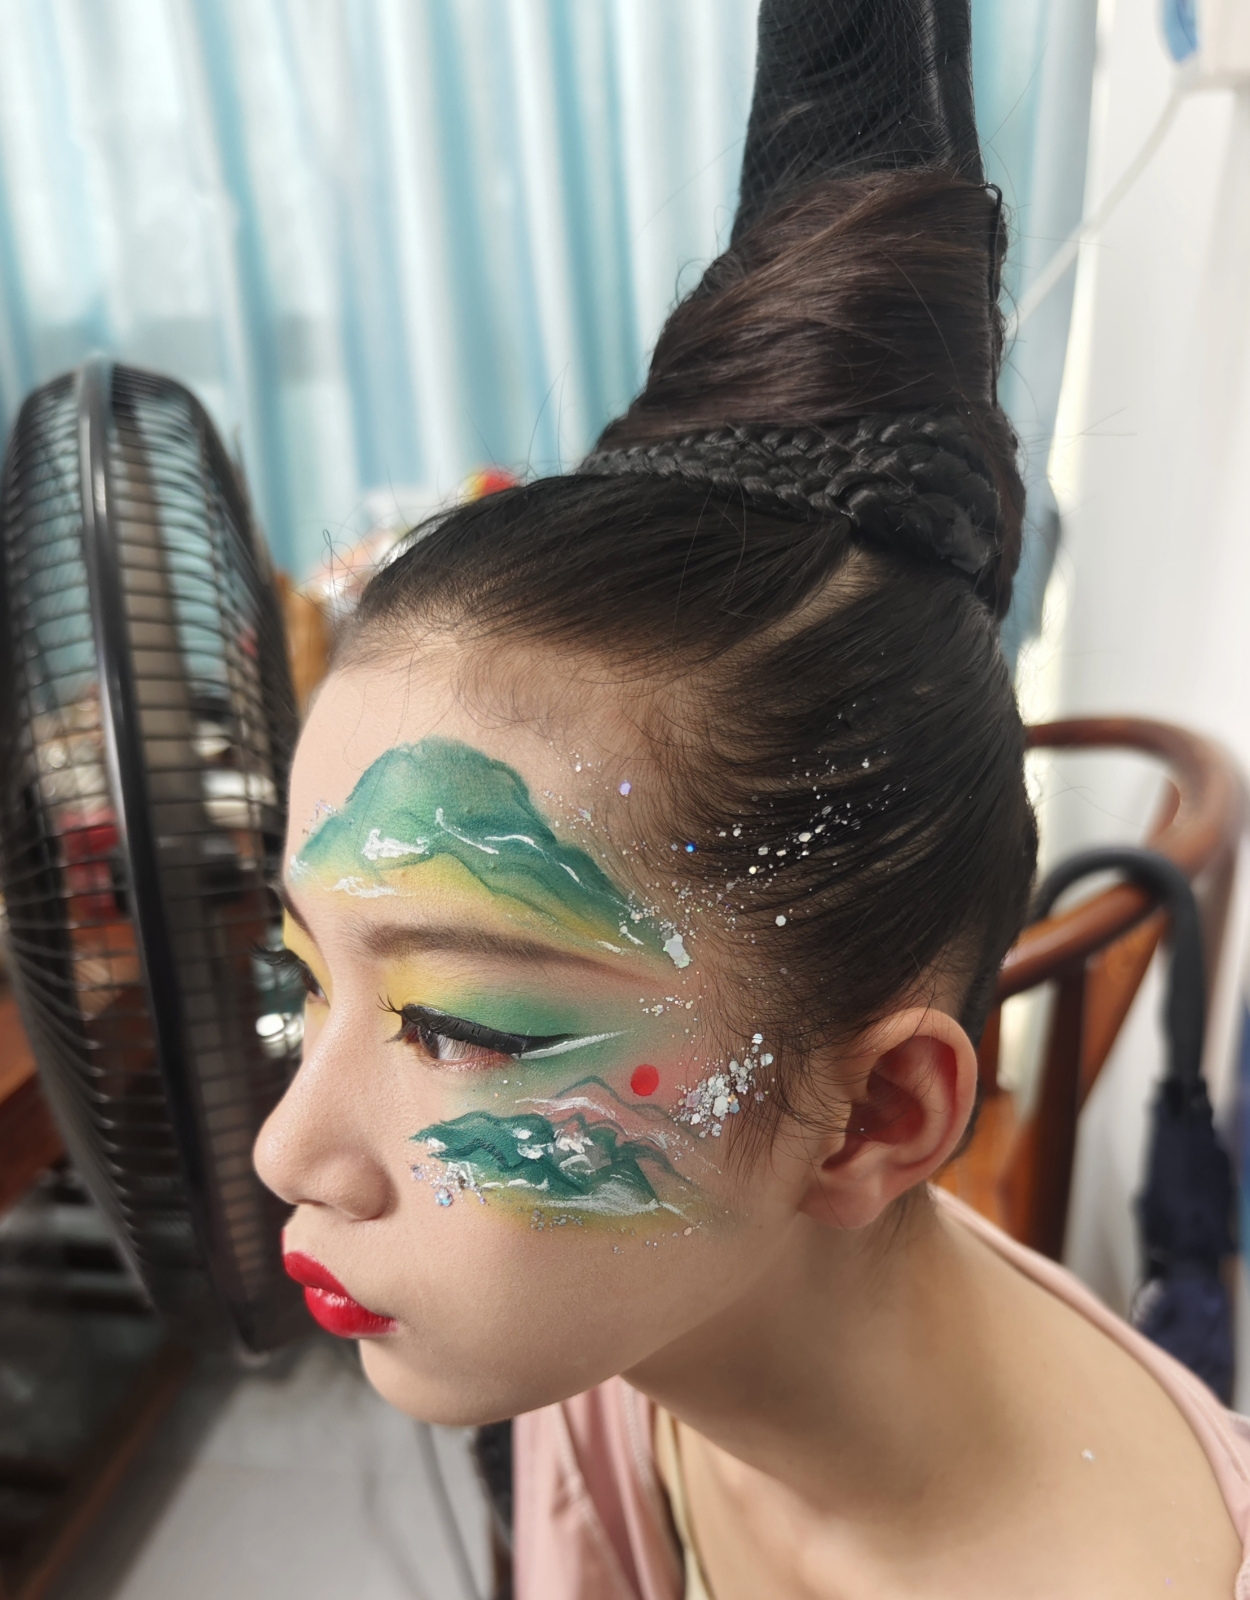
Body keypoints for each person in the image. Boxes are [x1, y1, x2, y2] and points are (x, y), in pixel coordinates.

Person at [253, 2, 1250, 1594]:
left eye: (461, 1029)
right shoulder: (627, 1337)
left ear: (876, 1114)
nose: (288, 1151)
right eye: (303, 977)